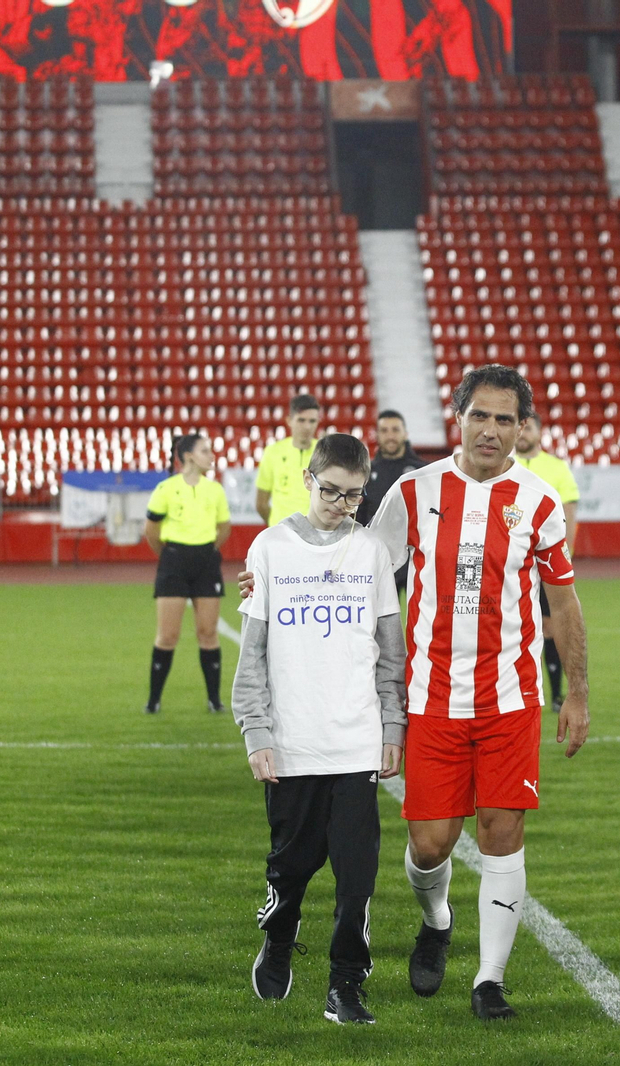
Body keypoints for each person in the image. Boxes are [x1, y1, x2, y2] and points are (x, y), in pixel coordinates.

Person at [367, 364, 589, 1021]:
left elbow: (564, 601)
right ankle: (436, 919)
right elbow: (364, 571)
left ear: (523, 428)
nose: (491, 430)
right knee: (430, 845)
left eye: (504, 419)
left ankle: (489, 980)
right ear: (457, 418)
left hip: (510, 699)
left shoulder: (541, 502)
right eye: (479, 416)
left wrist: (575, 692)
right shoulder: (414, 492)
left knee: (501, 832)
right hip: (432, 698)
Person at [233, 433, 406, 1025]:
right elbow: (251, 656)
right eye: (330, 490)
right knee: (292, 866)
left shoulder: (371, 555)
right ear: (308, 478)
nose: (340, 503)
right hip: (293, 747)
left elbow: (390, 654)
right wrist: (257, 733)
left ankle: (345, 986)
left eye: (353, 495)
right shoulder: (270, 549)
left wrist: (393, 725)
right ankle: (279, 938)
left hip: (355, 744)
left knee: (357, 877)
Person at [142, 433, 232, 715]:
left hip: (206, 562)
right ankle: (154, 701)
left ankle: (214, 700)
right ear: (190, 456)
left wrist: (206, 552)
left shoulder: (215, 490)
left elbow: (224, 527)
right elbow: (151, 531)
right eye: (206, 450)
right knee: (168, 635)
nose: (211, 456)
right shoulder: (165, 489)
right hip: (174, 564)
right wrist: (170, 556)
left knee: (208, 633)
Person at [514, 412, 580, 714]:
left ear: (539, 433)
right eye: (521, 428)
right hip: (511, 565)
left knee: (551, 629)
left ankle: (555, 693)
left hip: (545, 562)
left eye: (530, 429)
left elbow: (569, 514)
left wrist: (564, 557)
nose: (524, 434)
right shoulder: (504, 465)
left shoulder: (556, 468)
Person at [255, 393, 321, 526]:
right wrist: (278, 526)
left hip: (315, 533)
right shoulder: (273, 452)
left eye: (312, 421)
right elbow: (261, 503)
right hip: (281, 533)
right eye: (301, 420)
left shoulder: (325, 453)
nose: (307, 426)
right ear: (289, 420)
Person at [355, 409, 426, 531]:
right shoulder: (365, 472)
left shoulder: (423, 471)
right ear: (376, 434)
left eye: (395, 430)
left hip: (413, 545)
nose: (390, 436)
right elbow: (359, 518)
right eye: (384, 430)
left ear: (405, 434)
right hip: (374, 543)